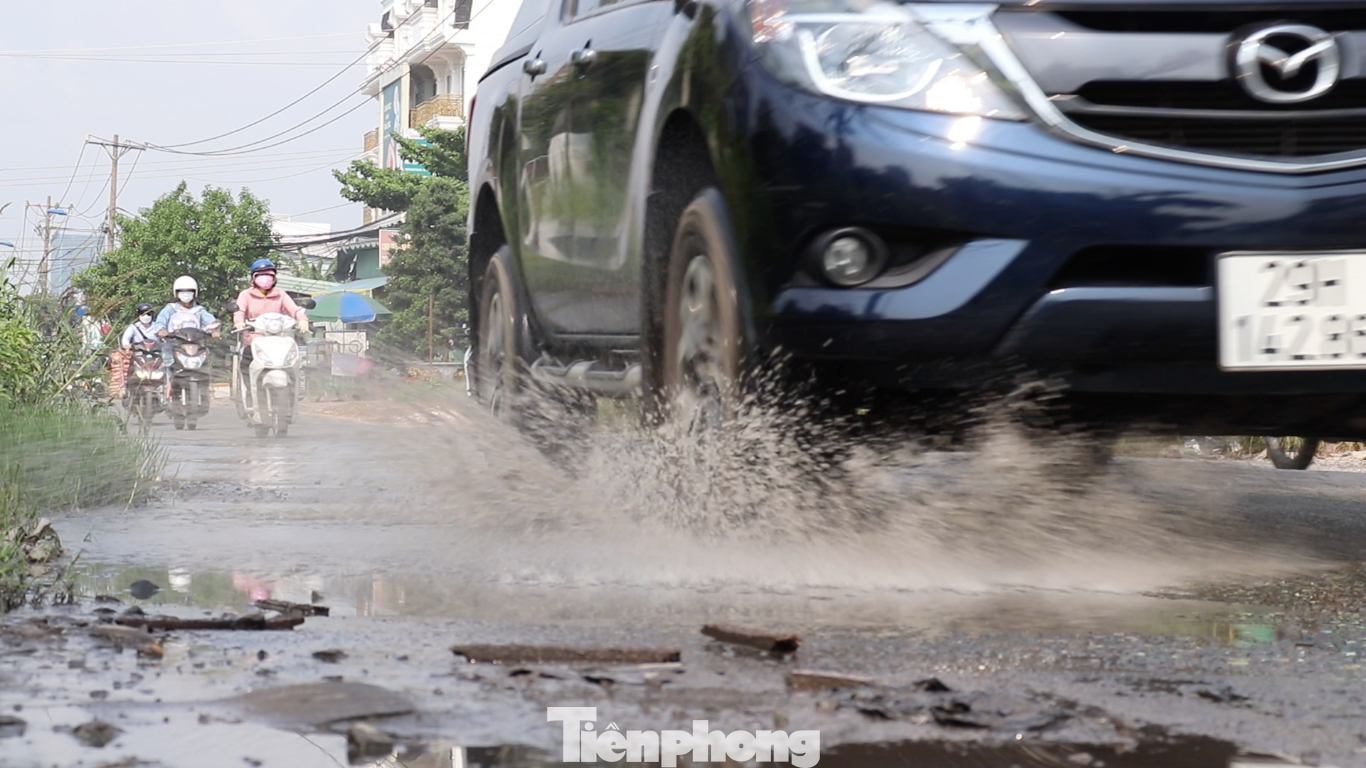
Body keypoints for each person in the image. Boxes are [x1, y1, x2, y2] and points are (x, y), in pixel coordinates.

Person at [232, 258, 310, 349]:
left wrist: (303, 319)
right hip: (254, 341)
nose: (265, 279)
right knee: (246, 360)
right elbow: (239, 311)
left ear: (274, 278)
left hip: (280, 339)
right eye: (260, 275)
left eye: (268, 275)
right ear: (253, 278)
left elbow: (295, 309)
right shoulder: (245, 295)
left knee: (293, 358)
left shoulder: (281, 295)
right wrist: (239, 322)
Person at [154, 276, 220, 367]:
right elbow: (160, 321)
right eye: (182, 292)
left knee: (204, 366)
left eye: (189, 292)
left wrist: (214, 330)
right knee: (168, 364)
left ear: (194, 293)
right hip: (173, 346)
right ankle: (169, 380)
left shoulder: (199, 310)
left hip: (195, 347)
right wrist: (161, 330)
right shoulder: (170, 308)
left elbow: (211, 321)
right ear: (176, 293)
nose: (186, 295)